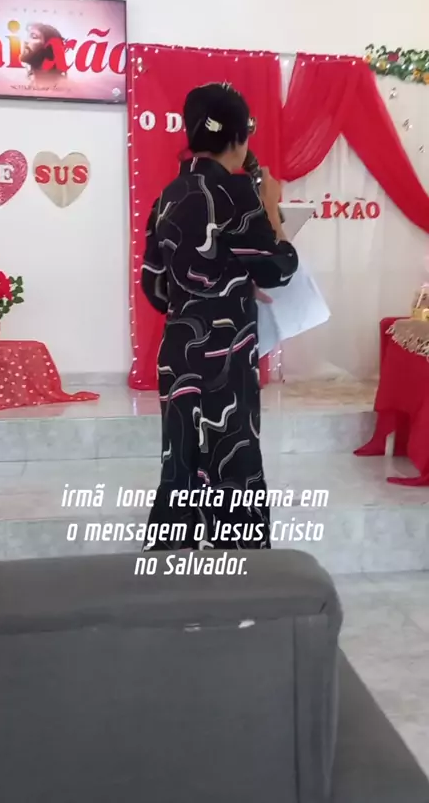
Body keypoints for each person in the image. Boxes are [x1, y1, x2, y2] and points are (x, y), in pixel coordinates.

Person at [141, 82, 298, 552]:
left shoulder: (168, 196)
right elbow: (278, 268)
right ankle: (239, 573)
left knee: (181, 463)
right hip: (225, 358)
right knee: (233, 461)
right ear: (238, 136)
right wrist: (272, 207)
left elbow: (156, 287)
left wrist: (223, 282)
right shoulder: (235, 193)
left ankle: (173, 567)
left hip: (179, 357)